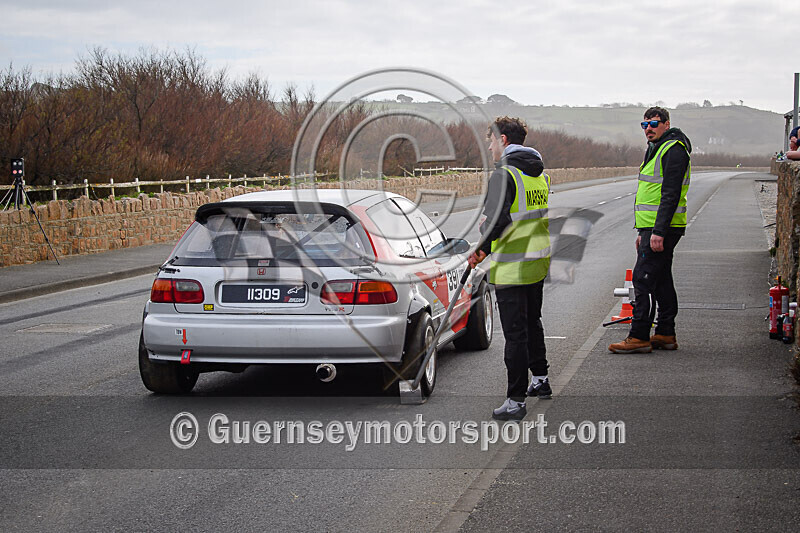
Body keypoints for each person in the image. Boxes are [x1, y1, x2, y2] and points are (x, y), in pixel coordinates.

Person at [468, 116, 551, 420]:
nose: (489, 146)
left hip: (512, 267)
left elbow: (498, 222)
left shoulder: (504, 174)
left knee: (514, 335)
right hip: (537, 262)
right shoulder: (539, 174)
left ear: (503, 140)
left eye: (490, 140)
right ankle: (540, 380)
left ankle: (515, 400)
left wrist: (479, 251)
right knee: (533, 323)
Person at [609, 107, 691, 354]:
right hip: (652, 227)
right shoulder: (657, 148)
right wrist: (643, 231)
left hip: (662, 227)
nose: (649, 129)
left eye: (654, 124)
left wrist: (658, 232)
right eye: (644, 125)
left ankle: (639, 335)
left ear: (666, 124)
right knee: (661, 279)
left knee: (642, 278)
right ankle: (665, 332)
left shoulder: (673, 149)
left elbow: (670, 194)